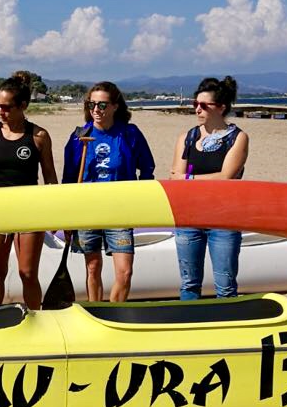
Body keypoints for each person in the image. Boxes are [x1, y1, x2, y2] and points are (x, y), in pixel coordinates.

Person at [0, 72, 57, 309]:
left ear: (22, 106)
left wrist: (56, 212)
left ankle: (36, 319)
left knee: (27, 273)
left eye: (6, 107)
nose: (0, 112)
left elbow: (50, 176)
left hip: (29, 210)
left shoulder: (38, 136)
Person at [61, 82, 154, 302]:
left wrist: (141, 198)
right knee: (93, 268)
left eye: (102, 105)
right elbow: (68, 180)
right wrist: (66, 217)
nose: (96, 110)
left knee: (125, 272)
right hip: (87, 210)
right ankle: (97, 310)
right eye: (91, 104)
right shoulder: (78, 137)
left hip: (120, 210)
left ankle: (115, 312)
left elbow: (147, 167)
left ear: (115, 106)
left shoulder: (129, 133)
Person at [170, 76, 250, 299]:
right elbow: (174, 177)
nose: (197, 109)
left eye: (204, 105)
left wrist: (189, 177)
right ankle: (190, 328)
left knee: (225, 285)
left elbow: (226, 177)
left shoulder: (238, 138)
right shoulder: (187, 137)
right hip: (189, 218)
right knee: (189, 284)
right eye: (195, 104)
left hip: (224, 220)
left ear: (221, 108)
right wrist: (191, 178)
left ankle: (226, 330)